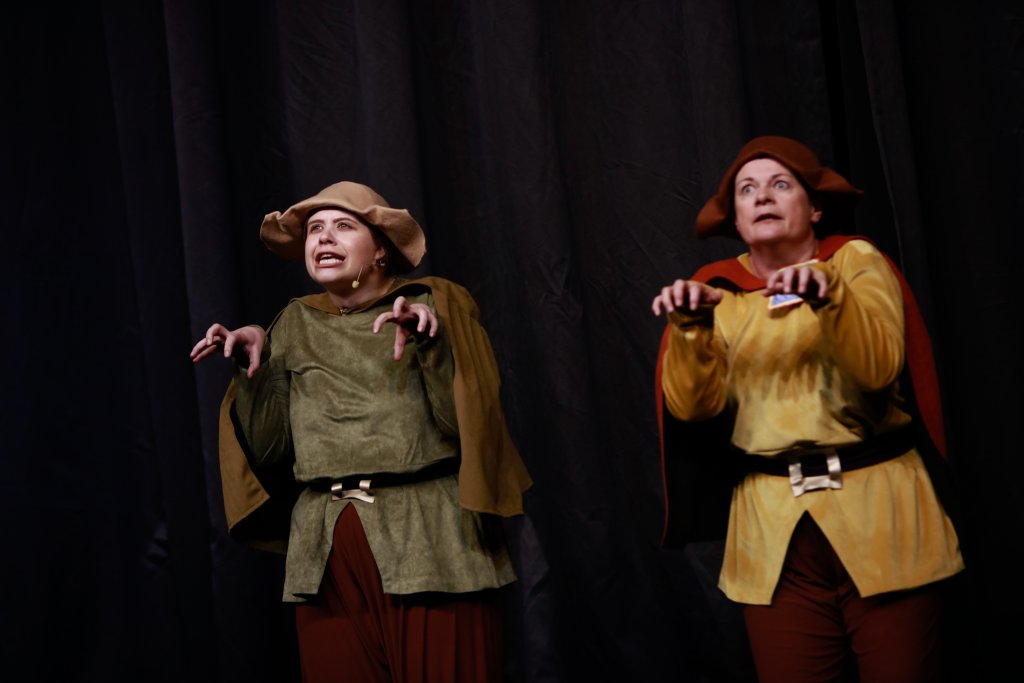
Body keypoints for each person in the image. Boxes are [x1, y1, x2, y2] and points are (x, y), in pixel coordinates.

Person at [190, 181, 532, 683]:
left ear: (380, 251)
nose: (324, 237)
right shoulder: (293, 323)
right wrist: (251, 371)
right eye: (315, 229)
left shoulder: (433, 302)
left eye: (344, 226)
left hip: (429, 540)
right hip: (325, 547)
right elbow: (270, 452)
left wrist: (430, 342)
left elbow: (466, 427)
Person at [651, 136, 964, 683]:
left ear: (814, 207)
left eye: (780, 185)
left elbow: (879, 370)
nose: (762, 197)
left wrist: (829, 296)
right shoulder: (716, 290)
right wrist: (691, 328)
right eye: (747, 190)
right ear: (736, 218)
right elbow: (694, 409)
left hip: (881, 518)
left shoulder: (855, 261)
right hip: (773, 536)